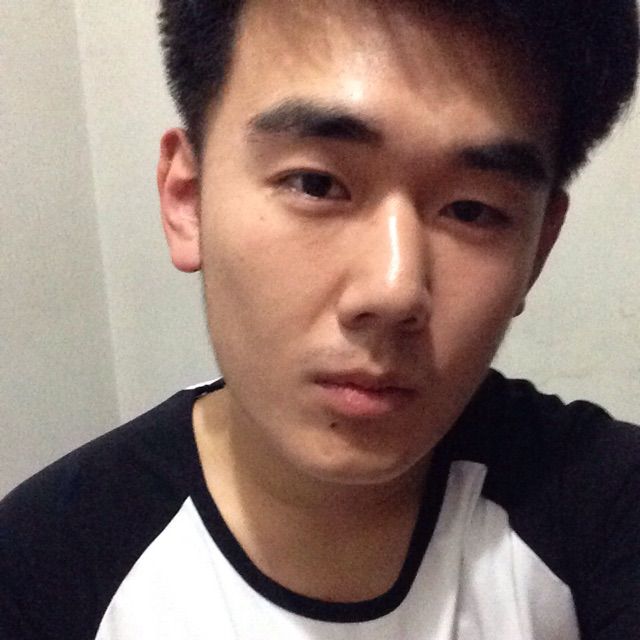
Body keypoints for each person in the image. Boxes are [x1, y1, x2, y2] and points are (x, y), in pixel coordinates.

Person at [1, 0, 639, 638]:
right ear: (188, 198)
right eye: (315, 183)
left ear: (538, 250)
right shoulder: (44, 570)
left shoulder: (606, 507)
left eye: (473, 211)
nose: (394, 290)